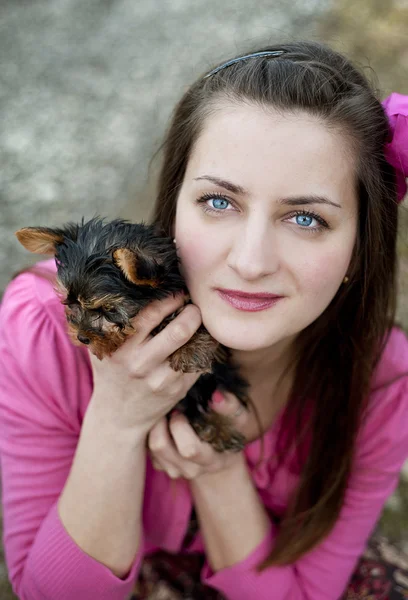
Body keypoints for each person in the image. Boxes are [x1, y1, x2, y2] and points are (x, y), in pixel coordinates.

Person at [0, 40, 408, 600]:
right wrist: (117, 419)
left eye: (307, 217)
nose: (250, 261)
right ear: (173, 209)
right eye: (219, 202)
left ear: (359, 250)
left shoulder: (382, 380)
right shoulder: (47, 326)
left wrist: (219, 473)